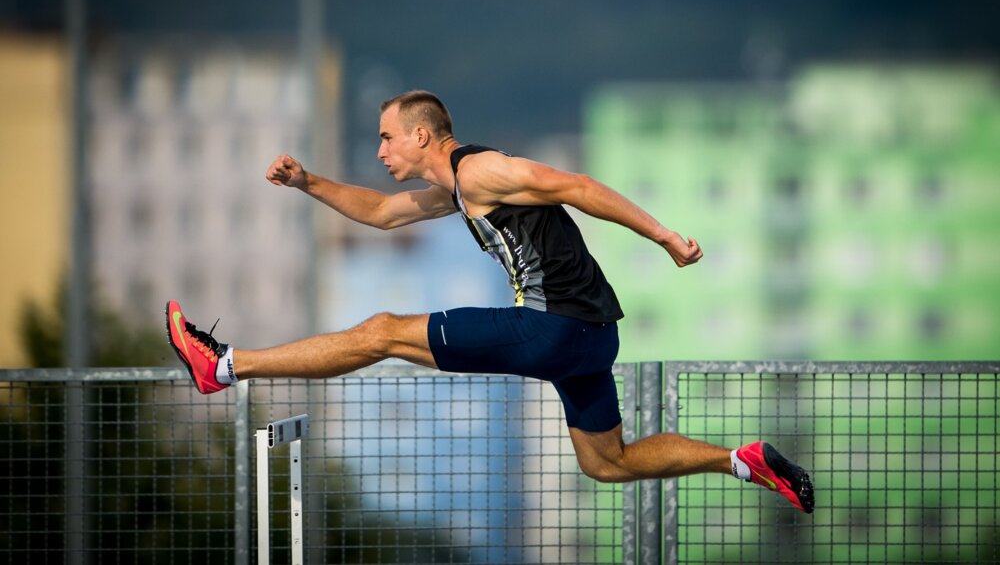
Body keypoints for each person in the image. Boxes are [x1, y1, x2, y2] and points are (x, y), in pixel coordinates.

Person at [165, 90, 814, 513]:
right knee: (606, 462)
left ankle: (223, 366)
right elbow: (385, 213)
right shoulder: (456, 189)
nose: (381, 150)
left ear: (423, 135)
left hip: (552, 328)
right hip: (592, 337)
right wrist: (308, 182)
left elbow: (577, 185)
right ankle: (740, 461)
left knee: (384, 330)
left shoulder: (479, 172)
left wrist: (665, 237)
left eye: (388, 137)